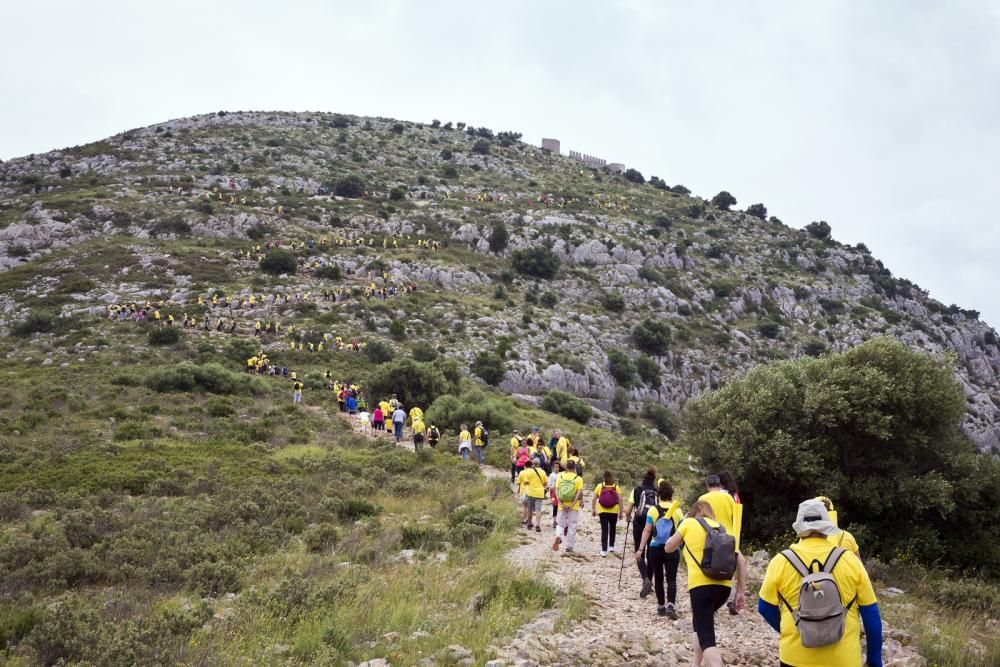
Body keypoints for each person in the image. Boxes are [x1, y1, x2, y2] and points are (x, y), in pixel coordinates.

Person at [758, 498, 882, 667]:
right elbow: (871, 614)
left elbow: (765, 608)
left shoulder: (781, 561)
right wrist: (874, 660)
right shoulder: (850, 560)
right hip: (844, 659)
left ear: (799, 528)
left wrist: (797, 628)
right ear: (827, 527)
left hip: (795, 658)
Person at [664, 501, 743, 667]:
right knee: (699, 623)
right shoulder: (722, 528)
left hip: (701, 588)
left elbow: (668, 547)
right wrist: (740, 591)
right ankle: (696, 664)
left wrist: (682, 523)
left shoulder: (688, 523)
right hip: (724, 588)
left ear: (693, 512)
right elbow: (741, 561)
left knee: (707, 638)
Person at [699, 474, 748, 615]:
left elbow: (697, 519)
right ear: (720, 485)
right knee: (741, 562)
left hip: (710, 537)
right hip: (729, 538)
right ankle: (739, 593)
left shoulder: (703, 498)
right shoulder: (729, 498)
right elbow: (736, 516)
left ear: (707, 486)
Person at [634, 480, 683, 619]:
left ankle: (661, 606)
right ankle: (671, 605)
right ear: (671, 495)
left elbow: (647, 530)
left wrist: (640, 549)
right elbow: (681, 532)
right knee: (672, 578)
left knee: (659, 578)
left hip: (655, 548)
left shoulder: (653, 510)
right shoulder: (678, 511)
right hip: (672, 548)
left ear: (659, 495)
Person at [624, 468, 660, 598]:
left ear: (643, 478)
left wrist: (627, 517)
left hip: (639, 523)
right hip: (654, 524)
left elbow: (628, 509)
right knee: (651, 552)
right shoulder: (657, 492)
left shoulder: (637, 490)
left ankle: (646, 579)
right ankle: (649, 580)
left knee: (640, 551)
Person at [552, 460, 584, 554]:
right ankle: (569, 547)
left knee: (560, 524)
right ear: (574, 468)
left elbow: (556, 490)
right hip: (573, 507)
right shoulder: (578, 479)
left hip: (561, 504)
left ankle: (558, 535)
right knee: (572, 526)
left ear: (566, 467)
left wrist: (560, 503)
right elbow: (578, 493)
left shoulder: (560, 476)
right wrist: (572, 504)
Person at [591, 471, 622, 557]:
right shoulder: (616, 487)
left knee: (604, 530)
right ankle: (611, 546)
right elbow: (620, 500)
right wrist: (621, 511)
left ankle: (604, 550)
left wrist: (593, 509)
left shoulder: (600, 486)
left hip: (602, 511)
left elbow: (594, 499)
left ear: (604, 477)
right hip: (614, 510)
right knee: (613, 528)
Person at [517, 459, 548, 532]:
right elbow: (545, 483)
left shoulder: (529, 472)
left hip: (530, 492)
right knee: (538, 509)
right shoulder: (543, 472)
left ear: (533, 464)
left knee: (530, 509)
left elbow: (525, 482)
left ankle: (529, 523)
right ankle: (537, 525)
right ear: (539, 463)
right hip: (539, 493)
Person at [547, 460, 561, 529]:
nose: (557, 468)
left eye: (558, 467)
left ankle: (558, 521)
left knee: (559, 507)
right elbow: (549, 485)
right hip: (553, 493)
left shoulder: (561, 475)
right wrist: (551, 487)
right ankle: (555, 521)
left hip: (560, 493)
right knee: (555, 507)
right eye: (555, 467)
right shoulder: (551, 475)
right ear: (553, 468)